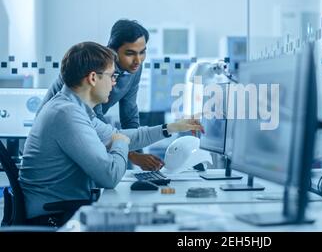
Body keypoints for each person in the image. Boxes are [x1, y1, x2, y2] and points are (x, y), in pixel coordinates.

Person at [19, 42, 204, 226]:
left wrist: (170, 128)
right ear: (93, 78)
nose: (114, 83)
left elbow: (120, 136)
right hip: (52, 218)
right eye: (112, 75)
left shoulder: (73, 108)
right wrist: (120, 143)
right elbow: (109, 176)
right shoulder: (66, 114)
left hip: (62, 209)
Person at [38, 19, 163, 171]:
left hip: (90, 126)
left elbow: (129, 115)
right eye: (130, 53)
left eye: (142, 52)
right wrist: (132, 156)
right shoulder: (95, 66)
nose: (138, 60)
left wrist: (138, 156)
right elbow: (96, 119)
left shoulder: (133, 69)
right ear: (113, 50)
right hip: (60, 132)